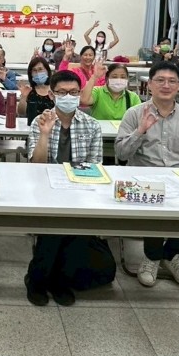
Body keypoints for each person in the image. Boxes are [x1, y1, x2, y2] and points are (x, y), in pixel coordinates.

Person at [25, 70, 116, 306]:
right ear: (52, 95)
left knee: (68, 224)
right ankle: (43, 280)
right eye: (63, 93)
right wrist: (44, 135)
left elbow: (95, 166)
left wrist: (77, 189)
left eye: (74, 92)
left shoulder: (91, 125)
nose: (69, 97)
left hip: (80, 189)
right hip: (45, 188)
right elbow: (36, 166)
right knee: (56, 222)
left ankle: (49, 278)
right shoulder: (40, 122)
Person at [115, 61, 179, 288]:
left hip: (178, 181)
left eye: (172, 81)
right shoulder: (134, 114)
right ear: (150, 85)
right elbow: (121, 154)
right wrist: (140, 131)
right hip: (141, 182)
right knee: (155, 202)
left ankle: (169, 255)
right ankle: (152, 257)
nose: (166, 85)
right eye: (160, 80)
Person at [18, 56, 55, 123]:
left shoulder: (55, 90)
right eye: (34, 70)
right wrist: (23, 97)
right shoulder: (29, 91)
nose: (38, 73)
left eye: (40, 69)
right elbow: (21, 113)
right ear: (31, 74)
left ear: (47, 71)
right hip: (32, 125)